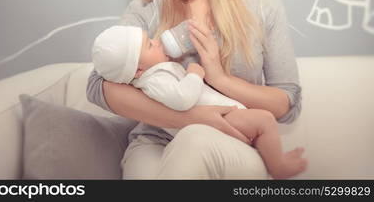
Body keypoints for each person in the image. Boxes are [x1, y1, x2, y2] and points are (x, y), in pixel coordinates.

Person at [87, 0, 303, 179]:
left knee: (194, 141)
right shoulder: (146, 8)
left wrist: (220, 78)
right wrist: (189, 118)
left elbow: (286, 104)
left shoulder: (261, 4)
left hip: (234, 140)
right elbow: (98, 85)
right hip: (157, 139)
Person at [92, 25, 307, 179]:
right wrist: (194, 73)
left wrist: (219, 78)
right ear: (138, 70)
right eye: (150, 44)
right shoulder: (154, 79)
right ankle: (278, 166)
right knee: (264, 120)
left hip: (218, 123)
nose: (158, 42)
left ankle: (275, 162)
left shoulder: (155, 73)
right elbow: (183, 99)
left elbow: (287, 103)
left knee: (265, 120)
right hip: (212, 119)